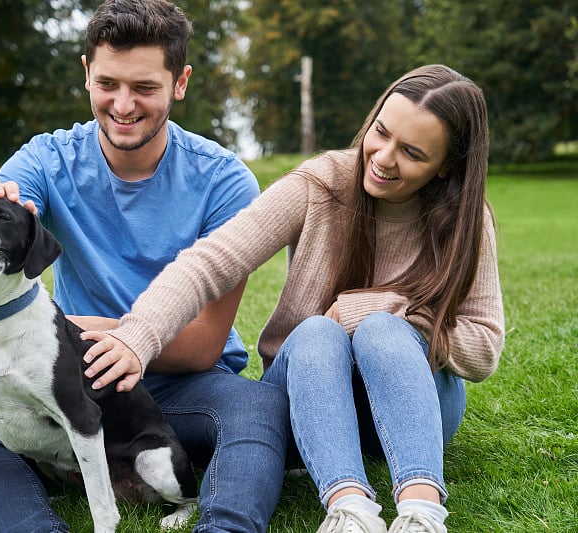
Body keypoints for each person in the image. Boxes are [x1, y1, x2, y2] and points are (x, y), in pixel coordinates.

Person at [86, 65, 505, 533]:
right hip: (309, 396)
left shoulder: (466, 223)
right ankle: (349, 509)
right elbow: (212, 261)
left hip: (418, 403)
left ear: (446, 166)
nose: (383, 158)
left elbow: (484, 346)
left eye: (411, 152)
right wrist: (139, 334)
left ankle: (422, 512)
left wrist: (381, 310)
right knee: (318, 329)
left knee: (384, 328)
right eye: (380, 133)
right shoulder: (321, 184)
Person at [0, 1, 289, 532]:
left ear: (179, 82)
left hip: (180, 384)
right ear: (87, 75)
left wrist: (100, 332)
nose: (123, 105)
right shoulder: (45, 160)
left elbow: (203, 344)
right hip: (78, 380)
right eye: (108, 84)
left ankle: (224, 525)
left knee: (257, 409)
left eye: (144, 87)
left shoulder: (225, 183)